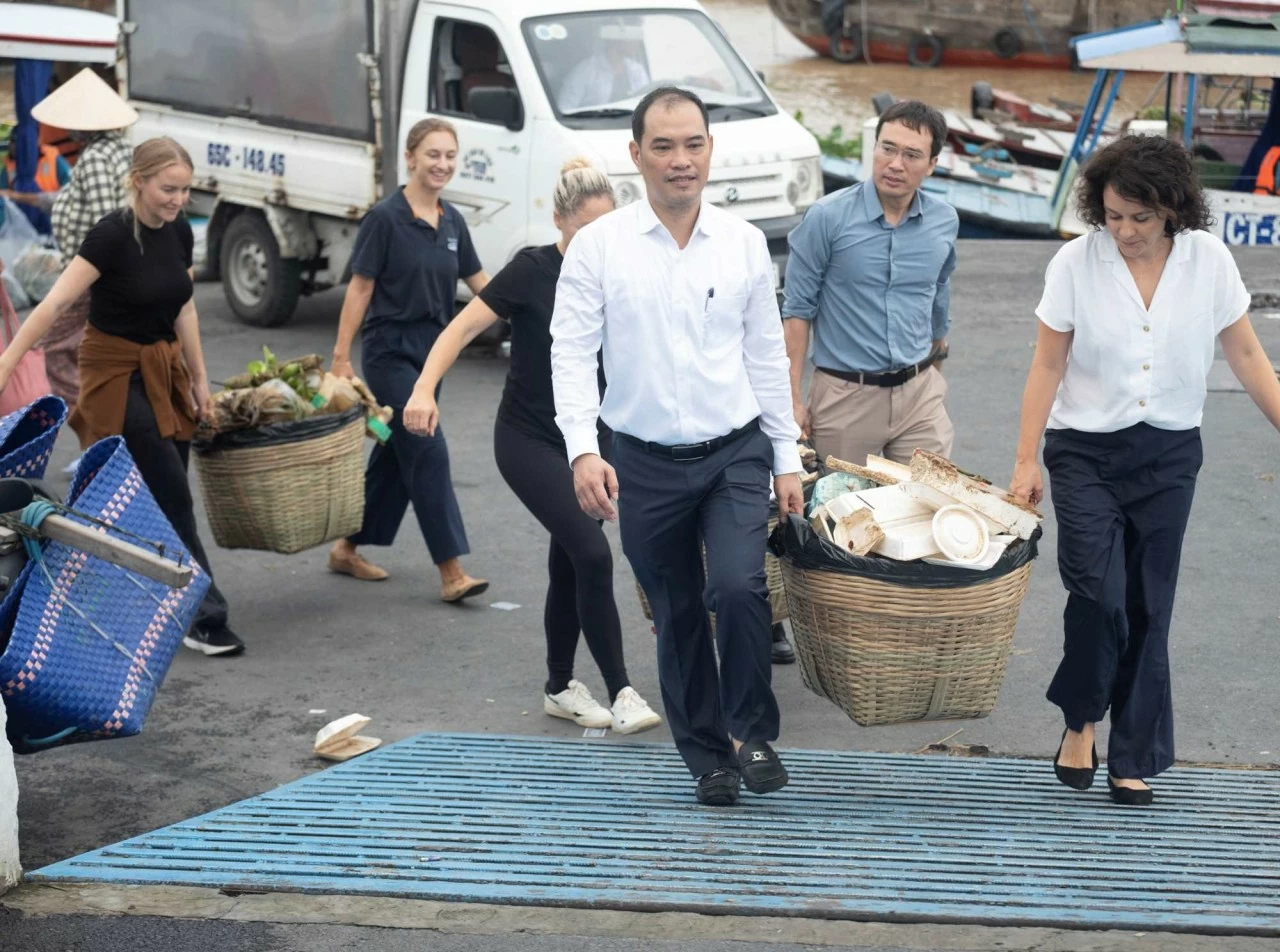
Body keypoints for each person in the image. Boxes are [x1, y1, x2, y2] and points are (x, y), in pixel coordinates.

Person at [551, 87, 805, 806]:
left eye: (692, 144)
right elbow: (570, 353)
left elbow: (765, 355)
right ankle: (707, 760)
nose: (680, 160)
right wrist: (581, 450)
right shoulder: (599, 248)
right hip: (641, 461)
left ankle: (750, 729)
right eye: (663, 146)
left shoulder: (744, 242)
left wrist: (785, 455)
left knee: (738, 586)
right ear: (636, 156)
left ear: (709, 150)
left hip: (735, 451)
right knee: (678, 611)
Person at [1008, 134, 1280, 806]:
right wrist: (1023, 459)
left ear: (1172, 209)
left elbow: (1245, 353)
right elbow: (1048, 363)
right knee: (1099, 596)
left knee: (1149, 607)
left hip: (1168, 454)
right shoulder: (1076, 262)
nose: (1124, 231)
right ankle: (1081, 719)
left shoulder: (1208, 261)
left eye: (1140, 217)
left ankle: (1132, 754)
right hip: (1084, 453)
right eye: (1113, 216)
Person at [402, 158, 663, 734]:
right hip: (528, 440)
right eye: (587, 229)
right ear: (559, 221)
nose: (601, 240)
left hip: (593, 443)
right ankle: (621, 690)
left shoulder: (622, 270)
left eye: (608, 227)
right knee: (592, 555)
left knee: (572, 561)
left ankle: (558, 685)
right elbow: (461, 328)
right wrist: (424, 388)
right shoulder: (532, 270)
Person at [0, 136, 243, 657]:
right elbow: (52, 304)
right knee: (171, 489)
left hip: (165, 367)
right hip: (113, 372)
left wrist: (200, 379)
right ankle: (205, 615)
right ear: (139, 181)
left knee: (157, 491)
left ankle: (127, 596)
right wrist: (7, 362)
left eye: (185, 190)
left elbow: (187, 309)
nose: (178, 200)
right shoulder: (110, 236)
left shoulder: (179, 232)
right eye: (167, 189)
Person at [328, 118, 490, 603]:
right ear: (411, 158)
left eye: (450, 156)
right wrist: (341, 357)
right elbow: (360, 287)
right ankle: (452, 571)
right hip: (390, 351)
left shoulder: (453, 221)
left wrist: (528, 315)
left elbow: (481, 283)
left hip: (433, 354)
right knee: (426, 447)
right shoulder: (385, 218)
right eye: (433, 155)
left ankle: (346, 547)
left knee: (396, 459)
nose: (443, 165)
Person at [782, 100, 959, 468]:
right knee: (841, 517)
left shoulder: (944, 220)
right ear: (874, 147)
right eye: (887, 148)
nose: (895, 164)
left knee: (932, 509)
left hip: (919, 396)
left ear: (932, 165)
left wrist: (935, 365)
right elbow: (797, 312)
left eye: (912, 154)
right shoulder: (826, 218)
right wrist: (792, 400)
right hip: (846, 398)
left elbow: (938, 290)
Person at [34, 67, 138, 413]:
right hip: (108, 270)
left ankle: (95, 420)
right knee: (90, 350)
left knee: (51, 345)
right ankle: (101, 426)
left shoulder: (95, 157)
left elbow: (105, 220)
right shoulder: (121, 148)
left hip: (89, 271)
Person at [557, 37, 650, 112]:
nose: (637, 41)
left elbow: (646, 106)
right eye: (632, 36)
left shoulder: (637, 70)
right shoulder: (586, 70)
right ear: (614, 40)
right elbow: (565, 108)